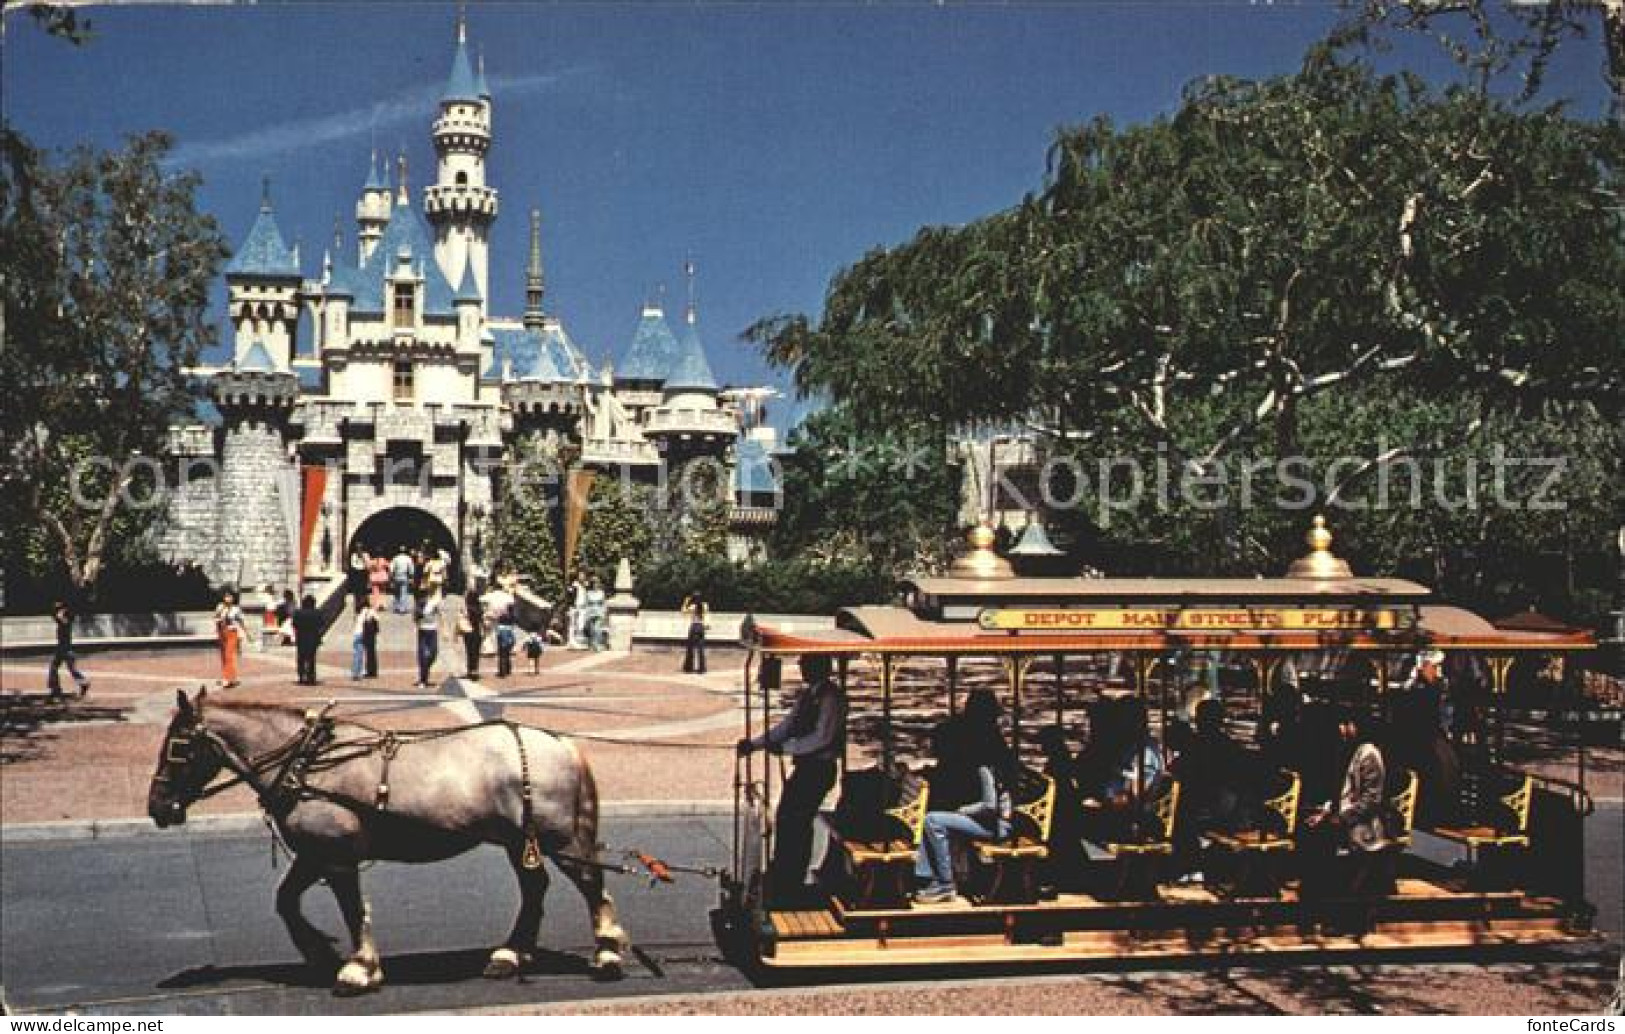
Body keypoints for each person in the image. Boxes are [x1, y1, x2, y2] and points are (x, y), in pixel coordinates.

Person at [736, 654, 848, 901]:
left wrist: (787, 748)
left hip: (819, 769)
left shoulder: (831, 699)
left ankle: (792, 880)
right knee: (786, 818)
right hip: (806, 767)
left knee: (795, 820)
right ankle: (785, 873)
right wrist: (755, 744)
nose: (801, 669)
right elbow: (787, 727)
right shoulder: (809, 695)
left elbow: (823, 737)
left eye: (805, 665)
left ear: (819, 667)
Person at [914, 692, 1015, 904]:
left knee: (932, 820)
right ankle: (926, 876)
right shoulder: (985, 749)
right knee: (931, 812)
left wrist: (963, 810)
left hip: (995, 824)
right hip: (989, 819)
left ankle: (944, 883)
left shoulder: (984, 763)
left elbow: (989, 806)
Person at [1304, 708, 1390, 934]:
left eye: (1347, 724)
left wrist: (1341, 819)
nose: (1343, 729)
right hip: (1345, 819)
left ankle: (1347, 919)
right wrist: (1324, 814)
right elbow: (1339, 792)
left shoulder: (1369, 753)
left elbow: (1371, 799)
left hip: (1362, 826)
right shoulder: (1349, 751)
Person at [46, 599, 91, 698]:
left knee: (68, 669)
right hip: (61, 648)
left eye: (60, 609)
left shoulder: (67, 620)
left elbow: (59, 618)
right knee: (55, 667)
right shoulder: (63, 619)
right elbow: (55, 616)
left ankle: (82, 683)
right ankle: (56, 688)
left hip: (66, 649)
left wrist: (59, 611)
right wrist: (55, 610)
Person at [485, 575, 519, 678]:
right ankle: (507, 669)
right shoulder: (509, 604)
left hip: (499, 629)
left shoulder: (500, 613)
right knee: (507, 651)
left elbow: (483, 602)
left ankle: (502, 670)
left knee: (501, 651)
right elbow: (514, 620)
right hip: (509, 631)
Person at [214, 592, 247, 688]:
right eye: (226, 596)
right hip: (222, 632)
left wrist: (247, 634)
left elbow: (241, 621)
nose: (228, 598)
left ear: (233, 598)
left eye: (230, 596)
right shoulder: (220, 607)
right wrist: (219, 619)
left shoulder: (236, 609)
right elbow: (216, 618)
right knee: (224, 656)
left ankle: (228, 679)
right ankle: (230, 677)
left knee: (228, 655)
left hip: (232, 633)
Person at [291, 593, 324, 686]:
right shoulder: (317, 612)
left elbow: (294, 624)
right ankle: (311, 677)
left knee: (301, 658)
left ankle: (301, 676)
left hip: (301, 638)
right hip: (313, 638)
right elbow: (321, 624)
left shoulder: (298, 612)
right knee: (311, 658)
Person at [414, 590, 443, 688]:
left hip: (433, 630)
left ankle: (425, 670)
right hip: (423, 631)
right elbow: (415, 618)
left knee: (434, 652)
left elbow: (440, 615)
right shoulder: (419, 604)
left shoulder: (434, 604)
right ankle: (423, 679)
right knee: (422, 655)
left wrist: (444, 629)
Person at [459, 588, 485, 679]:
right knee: (476, 652)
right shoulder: (479, 608)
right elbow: (482, 621)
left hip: (468, 631)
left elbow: (460, 619)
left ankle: (470, 670)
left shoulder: (466, 608)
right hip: (477, 631)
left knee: (469, 652)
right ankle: (475, 670)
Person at [681, 592, 709, 674]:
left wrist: (685, 602)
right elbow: (706, 615)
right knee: (701, 648)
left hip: (694, 626)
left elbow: (683, 612)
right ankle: (702, 668)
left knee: (690, 648)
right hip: (701, 626)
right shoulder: (705, 606)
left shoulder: (693, 607)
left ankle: (689, 667)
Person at [349, 597, 372, 681]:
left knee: (356, 654)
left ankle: (354, 672)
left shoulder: (357, 612)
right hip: (363, 633)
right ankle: (358, 673)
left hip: (356, 633)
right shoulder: (367, 611)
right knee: (360, 654)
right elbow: (370, 621)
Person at [584, 577, 607, 652]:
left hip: (599, 612)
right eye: (594, 583)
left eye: (596, 583)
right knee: (592, 630)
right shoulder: (589, 593)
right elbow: (587, 604)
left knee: (597, 629)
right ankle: (592, 644)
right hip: (591, 613)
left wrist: (604, 613)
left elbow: (604, 604)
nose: (595, 585)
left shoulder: (601, 593)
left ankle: (597, 645)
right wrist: (586, 614)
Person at [390, 546, 415, 614]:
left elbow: (391, 569)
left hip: (396, 576)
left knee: (396, 593)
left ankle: (396, 607)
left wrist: (391, 578)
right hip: (404, 576)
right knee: (404, 592)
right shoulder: (408, 558)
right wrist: (411, 577)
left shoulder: (395, 558)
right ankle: (402, 609)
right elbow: (411, 569)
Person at [566, 573, 588, 649]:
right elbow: (569, 597)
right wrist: (570, 607)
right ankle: (571, 641)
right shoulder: (574, 586)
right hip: (575, 607)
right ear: (578, 577)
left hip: (583, 608)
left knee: (580, 625)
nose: (582, 577)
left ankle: (579, 641)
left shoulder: (584, 586)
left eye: (583, 576)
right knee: (573, 624)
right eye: (581, 576)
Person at [360, 596, 380, 678]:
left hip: (369, 634)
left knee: (370, 653)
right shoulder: (370, 611)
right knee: (370, 653)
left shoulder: (368, 612)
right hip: (370, 634)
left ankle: (372, 671)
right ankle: (371, 670)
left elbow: (375, 620)